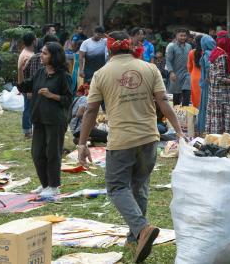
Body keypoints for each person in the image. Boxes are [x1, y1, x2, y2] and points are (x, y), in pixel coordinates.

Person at [77, 31, 183, 263]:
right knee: (140, 186)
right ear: (129, 46)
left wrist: (83, 142)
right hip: (149, 138)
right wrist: (179, 130)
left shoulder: (101, 74)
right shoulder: (149, 68)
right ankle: (135, 237)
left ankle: (141, 229)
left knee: (116, 187)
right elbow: (163, 101)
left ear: (109, 49)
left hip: (122, 141)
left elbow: (91, 110)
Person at [23, 41, 72, 199]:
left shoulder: (63, 76)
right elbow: (24, 87)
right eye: (41, 52)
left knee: (52, 153)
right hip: (39, 118)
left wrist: (52, 95)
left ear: (54, 56)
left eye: (45, 53)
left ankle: (53, 186)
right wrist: (20, 70)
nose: (41, 55)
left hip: (55, 120)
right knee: (37, 152)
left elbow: (68, 99)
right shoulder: (40, 72)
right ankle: (45, 184)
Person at [205, 31, 230, 135]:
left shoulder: (215, 52)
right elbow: (220, 78)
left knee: (216, 120)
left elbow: (211, 76)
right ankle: (224, 143)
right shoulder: (222, 56)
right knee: (223, 123)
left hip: (214, 94)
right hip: (223, 96)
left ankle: (216, 141)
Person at [17, 32, 37, 138]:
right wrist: (29, 90)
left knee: (28, 108)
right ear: (34, 41)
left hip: (26, 86)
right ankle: (27, 131)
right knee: (28, 109)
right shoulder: (28, 55)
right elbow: (27, 74)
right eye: (36, 38)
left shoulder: (26, 52)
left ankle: (28, 130)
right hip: (28, 87)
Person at [166, 29, 192, 106]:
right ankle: (176, 115)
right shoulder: (171, 46)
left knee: (187, 93)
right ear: (176, 36)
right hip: (175, 74)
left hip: (187, 74)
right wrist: (171, 72)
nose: (183, 37)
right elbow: (168, 61)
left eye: (184, 36)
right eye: (181, 35)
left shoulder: (189, 46)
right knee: (175, 98)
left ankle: (186, 112)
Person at [196, 35, 215, 134]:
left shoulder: (207, 53)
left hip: (206, 84)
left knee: (205, 105)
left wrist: (207, 78)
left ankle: (203, 129)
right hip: (212, 83)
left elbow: (208, 67)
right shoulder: (215, 52)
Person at [187, 36, 203, 110]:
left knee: (195, 96)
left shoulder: (191, 52)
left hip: (194, 77)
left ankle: (196, 114)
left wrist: (192, 73)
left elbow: (189, 67)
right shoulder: (206, 53)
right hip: (204, 77)